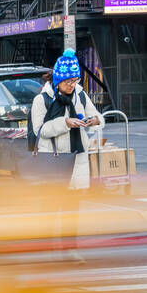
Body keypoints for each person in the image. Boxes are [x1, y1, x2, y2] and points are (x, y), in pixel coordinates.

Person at [29, 50, 103, 190]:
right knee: (53, 206)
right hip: (54, 160)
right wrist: (65, 123)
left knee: (75, 207)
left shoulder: (80, 95)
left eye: (75, 80)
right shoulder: (42, 99)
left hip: (78, 160)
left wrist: (95, 120)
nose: (72, 85)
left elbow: (97, 116)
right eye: (68, 81)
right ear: (58, 80)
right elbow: (40, 130)